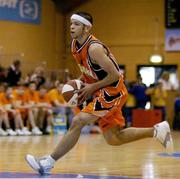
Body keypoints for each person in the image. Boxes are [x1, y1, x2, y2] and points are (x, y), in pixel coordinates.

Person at [25, 12, 173, 175]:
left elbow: (116, 75)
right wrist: (80, 83)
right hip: (101, 91)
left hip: (113, 92)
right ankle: (157, 131)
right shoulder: (75, 45)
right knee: (113, 138)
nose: (72, 27)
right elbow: (89, 72)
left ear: (86, 28)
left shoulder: (94, 48)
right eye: (71, 23)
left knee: (78, 121)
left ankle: (47, 162)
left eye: (76, 24)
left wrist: (91, 87)